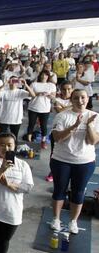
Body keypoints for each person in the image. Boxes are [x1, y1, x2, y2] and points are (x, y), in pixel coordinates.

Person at [49, 89, 99, 234]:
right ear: (71, 100)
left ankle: (73, 221)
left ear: (87, 98)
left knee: (78, 192)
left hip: (85, 162)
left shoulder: (95, 117)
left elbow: (93, 141)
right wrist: (75, 125)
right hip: (61, 160)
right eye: (76, 98)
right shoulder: (62, 116)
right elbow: (58, 138)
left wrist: (88, 125)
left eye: (83, 97)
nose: (80, 101)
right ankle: (56, 219)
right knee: (59, 190)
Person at [25, 70, 56, 149]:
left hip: (45, 108)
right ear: (40, 76)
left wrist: (48, 94)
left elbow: (53, 97)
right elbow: (30, 95)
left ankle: (43, 140)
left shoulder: (51, 85)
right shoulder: (34, 84)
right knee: (31, 124)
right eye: (42, 75)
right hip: (33, 107)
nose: (44, 77)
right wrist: (38, 93)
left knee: (43, 125)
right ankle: (29, 140)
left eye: (46, 75)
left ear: (48, 76)